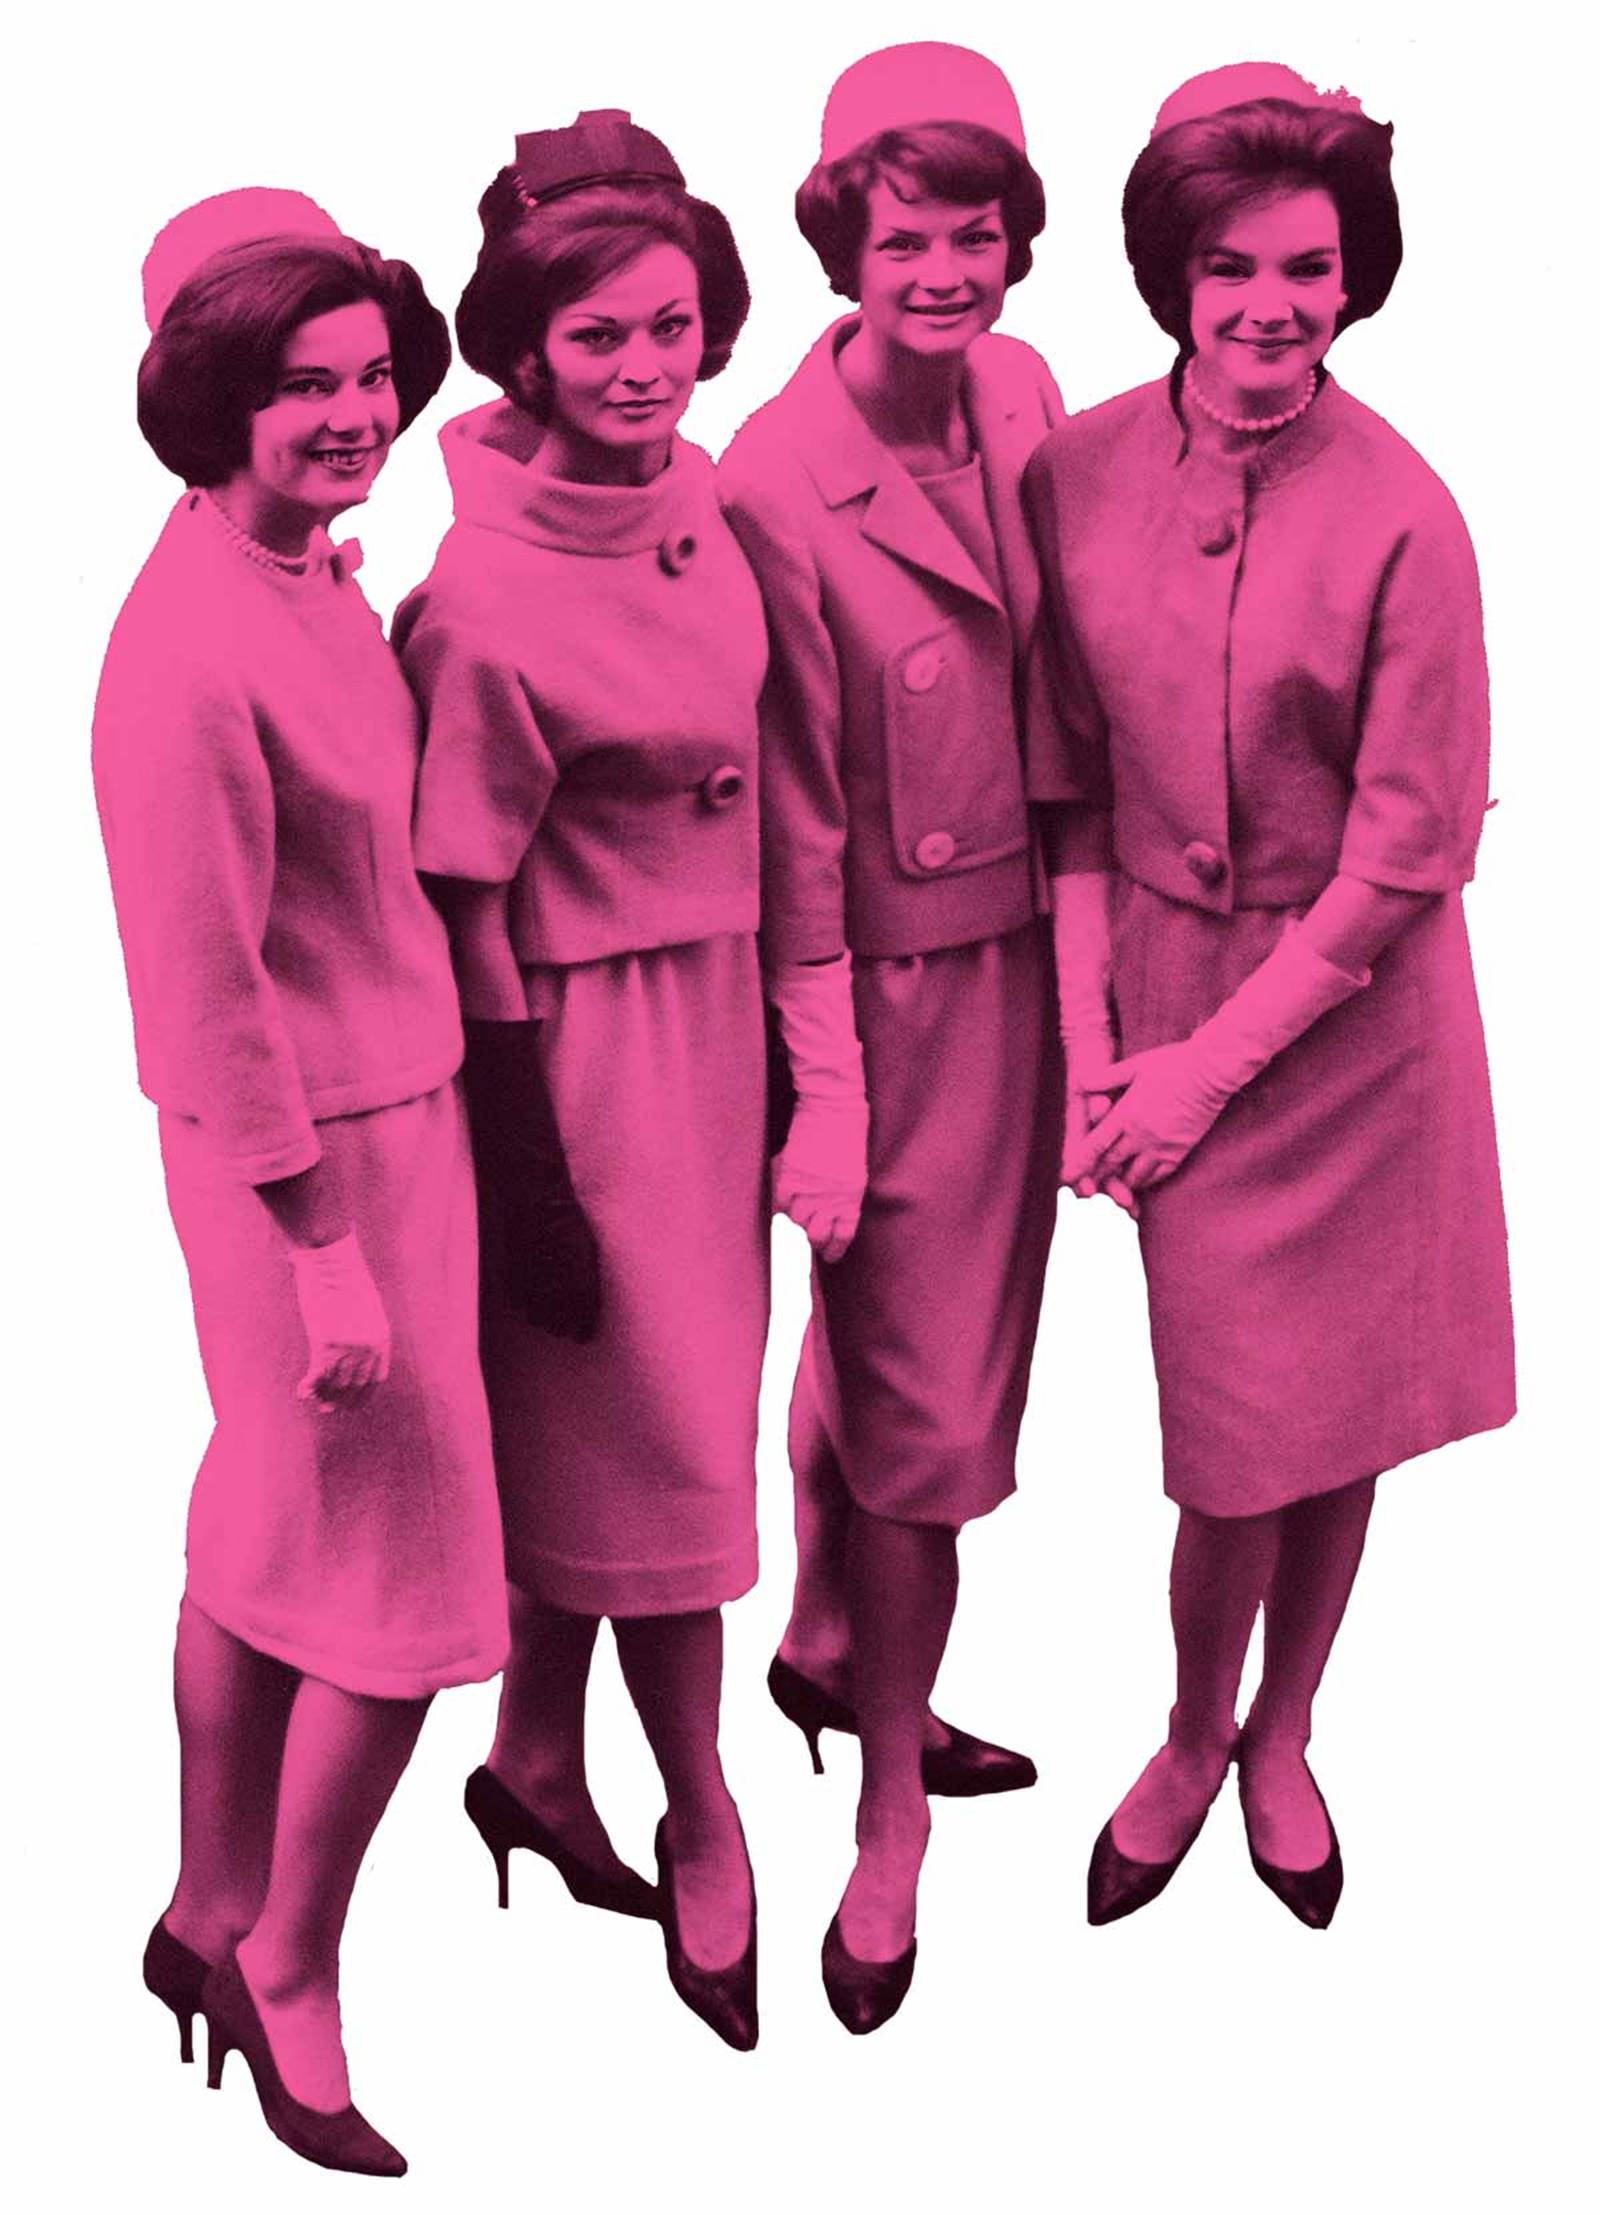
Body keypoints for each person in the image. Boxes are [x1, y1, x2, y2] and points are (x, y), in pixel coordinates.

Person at [1025, 64, 1515, 1929]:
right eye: (1229, 266)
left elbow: (1410, 852)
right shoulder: (1073, 472)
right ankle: (1187, 1730)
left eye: (1308, 267)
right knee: (1235, 1444)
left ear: (1355, 274)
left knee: (1340, 1415)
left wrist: (1196, 1077)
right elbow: (1068, 784)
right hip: (1162, 981)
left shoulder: (1408, 513)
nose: (1269, 306)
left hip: (1358, 1022)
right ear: (1172, 271)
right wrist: (1098, 1056)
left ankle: (1283, 1731)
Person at [94, 190, 507, 2175]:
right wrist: (325, 1252)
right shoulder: (184, 655)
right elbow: (205, 991)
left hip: (381, 1128)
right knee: (401, 1595)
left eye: (366, 375)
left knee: (271, 1530)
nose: (350, 415)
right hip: (308, 1169)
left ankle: (200, 1906)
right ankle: (290, 1961)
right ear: (208, 400)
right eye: (297, 386)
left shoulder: (295, 571)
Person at [395, 113, 767, 2051]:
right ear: (525, 354)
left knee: (610, 1449)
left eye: (672, 327)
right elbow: (461, 899)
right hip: (582, 1051)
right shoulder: (479, 597)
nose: (643, 368)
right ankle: (703, 1810)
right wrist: (527, 1161)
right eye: (599, 336)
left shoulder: (694, 496)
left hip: (712, 1024)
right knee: (671, 1458)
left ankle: (535, 1759)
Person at [718, 43, 1066, 2031]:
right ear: (841, 243)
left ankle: (827, 1639)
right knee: (930, 1412)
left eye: (974, 233)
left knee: (886, 1352)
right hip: (881, 983)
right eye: (903, 238)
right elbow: (794, 827)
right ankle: (886, 1817)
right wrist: (830, 1096)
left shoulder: (1019, 393)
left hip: (1018, 955)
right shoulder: (776, 481)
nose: (943, 272)